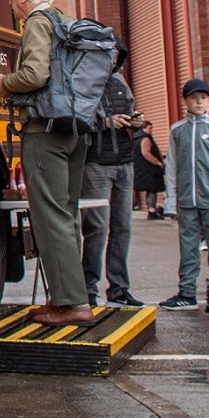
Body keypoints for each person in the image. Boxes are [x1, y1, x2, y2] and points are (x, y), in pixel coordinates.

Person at [0, 0, 93, 326]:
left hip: (45, 131)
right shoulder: (66, 21)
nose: (10, 3)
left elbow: (35, 75)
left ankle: (71, 302)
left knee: (49, 218)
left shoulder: (37, 23)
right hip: (76, 130)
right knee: (66, 215)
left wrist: (5, 83)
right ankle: (67, 296)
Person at [160, 79, 209, 312]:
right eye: (194, 98)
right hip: (186, 200)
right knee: (188, 247)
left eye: (203, 97)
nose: (199, 102)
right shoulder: (177, 130)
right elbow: (171, 167)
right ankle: (187, 293)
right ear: (186, 101)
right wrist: (170, 201)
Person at [81, 44, 142, 308]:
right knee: (97, 229)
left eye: (116, 55)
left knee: (123, 228)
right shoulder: (84, 82)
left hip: (124, 163)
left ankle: (119, 290)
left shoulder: (120, 81)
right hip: (96, 163)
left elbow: (129, 110)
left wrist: (135, 120)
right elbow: (76, 118)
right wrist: (104, 123)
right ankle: (88, 290)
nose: (112, 59)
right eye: (108, 53)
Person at [133, 127, 167, 218]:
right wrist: (157, 162)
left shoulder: (136, 139)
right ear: (144, 128)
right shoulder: (145, 139)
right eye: (150, 128)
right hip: (150, 170)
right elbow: (146, 153)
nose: (151, 130)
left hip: (143, 169)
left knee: (150, 190)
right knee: (152, 190)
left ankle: (151, 210)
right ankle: (152, 211)